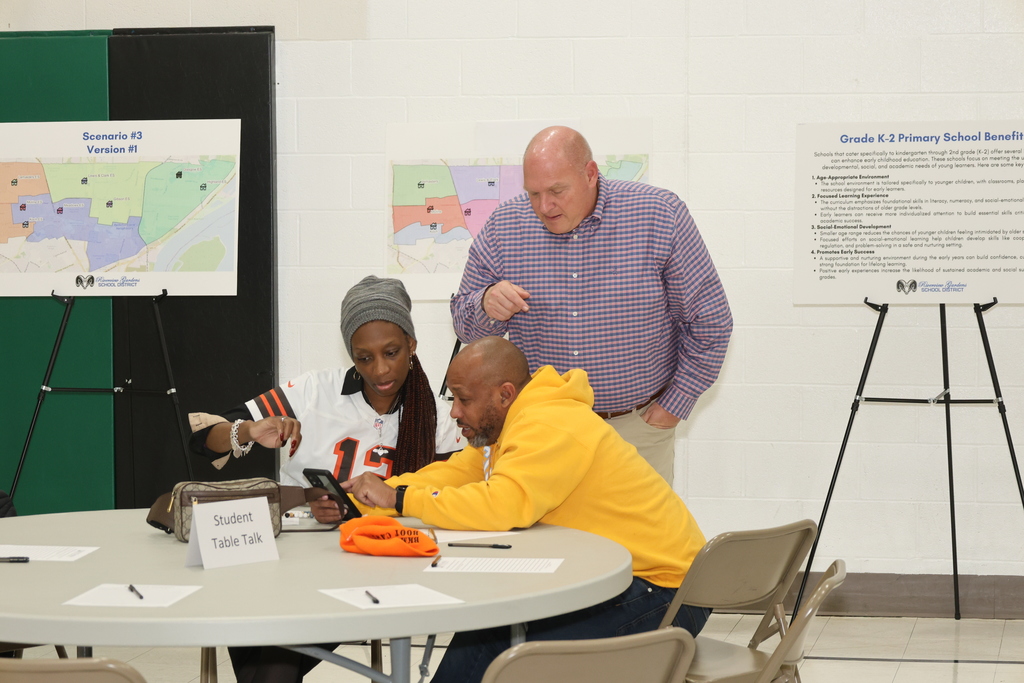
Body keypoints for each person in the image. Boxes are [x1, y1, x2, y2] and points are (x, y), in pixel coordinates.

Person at [344, 336, 711, 683]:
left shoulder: (549, 423)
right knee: (490, 629)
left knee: (507, 648)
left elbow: (502, 505)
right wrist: (361, 498)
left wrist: (400, 499)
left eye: (464, 399)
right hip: (631, 580)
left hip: (668, 591)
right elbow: (451, 474)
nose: (454, 411)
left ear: (505, 394)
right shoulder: (511, 425)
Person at [188, 275, 462, 683]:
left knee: (269, 665)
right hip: (288, 560)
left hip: (369, 569)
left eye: (391, 352)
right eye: (364, 358)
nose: (380, 369)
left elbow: (448, 498)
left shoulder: (438, 417)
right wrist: (249, 431)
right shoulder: (313, 392)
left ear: (412, 345)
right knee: (265, 656)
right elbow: (202, 440)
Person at [450, 126, 732, 484]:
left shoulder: (659, 215)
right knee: (544, 524)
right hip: (543, 431)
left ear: (590, 174)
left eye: (557, 191)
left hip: (636, 429)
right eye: (533, 193)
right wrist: (485, 304)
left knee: (637, 524)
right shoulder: (504, 227)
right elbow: (464, 326)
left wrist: (671, 408)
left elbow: (711, 322)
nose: (544, 206)